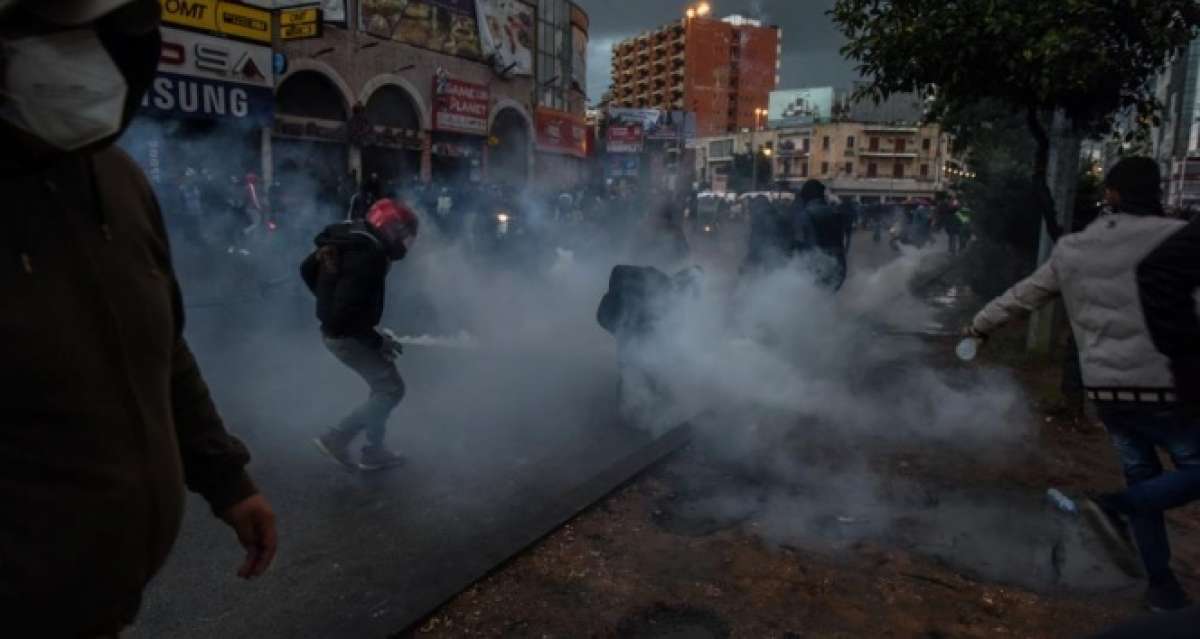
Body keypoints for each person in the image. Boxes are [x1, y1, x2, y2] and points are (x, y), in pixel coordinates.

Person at [0, 1, 277, 634]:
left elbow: (163, 350)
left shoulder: (119, 178)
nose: (98, 54)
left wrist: (227, 481)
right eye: (64, 31)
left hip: (103, 604)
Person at [966, 157, 1199, 612]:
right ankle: (1115, 507)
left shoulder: (1073, 249)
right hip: (1168, 385)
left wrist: (978, 325)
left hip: (1108, 392)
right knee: (1172, 475)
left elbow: (1024, 295)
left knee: (1143, 476)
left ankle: (1162, 587)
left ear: (1110, 193)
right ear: (1156, 190)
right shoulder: (1177, 239)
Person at [303, 199, 419, 471]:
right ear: (391, 230)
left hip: (341, 332)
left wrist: (326, 299)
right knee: (391, 390)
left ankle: (374, 450)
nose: (407, 245)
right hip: (345, 336)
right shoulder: (370, 255)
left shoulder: (352, 238)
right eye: (405, 237)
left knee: (382, 388)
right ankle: (337, 438)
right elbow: (346, 314)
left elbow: (306, 269)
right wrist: (376, 340)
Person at [792, 179, 850, 291]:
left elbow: (805, 244)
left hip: (818, 266)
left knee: (813, 303)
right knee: (826, 300)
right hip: (839, 265)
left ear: (807, 195)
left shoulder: (806, 214)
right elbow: (844, 239)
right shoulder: (836, 213)